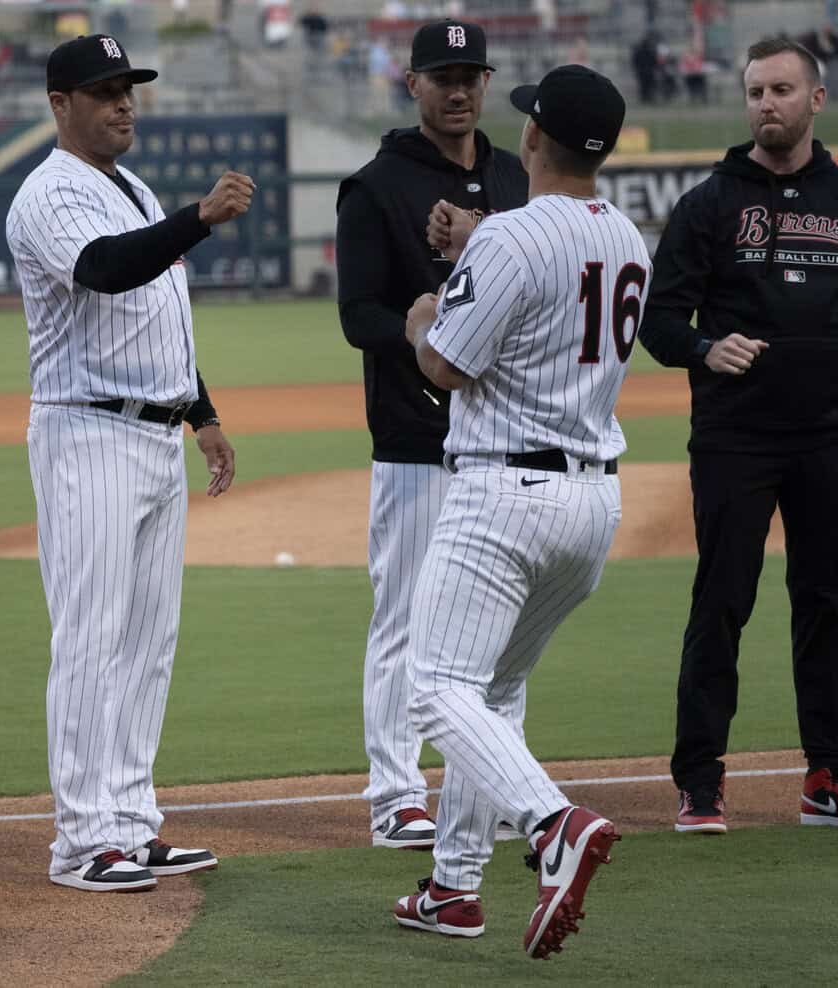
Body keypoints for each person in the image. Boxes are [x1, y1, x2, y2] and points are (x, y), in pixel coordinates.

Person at [397, 64, 650, 958]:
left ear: (535, 138)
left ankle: (554, 826)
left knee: (434, 688)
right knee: (493, 692)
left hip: (505, 492)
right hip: (592, 501)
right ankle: (452, 888)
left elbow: (448, 367)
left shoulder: (508, 235)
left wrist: (423, 319)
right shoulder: (629, 237)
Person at [638, 37, 838, 834]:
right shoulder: (709, 204)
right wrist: (701, 348)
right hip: (735, 439)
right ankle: (700, 784)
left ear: (815, 99)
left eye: (782, 89)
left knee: (824, 604)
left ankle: (832, 779)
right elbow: (656, 319)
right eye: (756, 90)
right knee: (721, 603)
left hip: (835, 436)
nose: (767, 104)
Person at [5, 34, 253, 892]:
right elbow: (106, 272)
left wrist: (203, 413)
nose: (123, 103)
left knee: (149, 641)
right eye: (104, 90)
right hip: (88, 434)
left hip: (153, 434)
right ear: (59, 102)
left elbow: (158, 318)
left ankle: (129, 822)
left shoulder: (130, 186)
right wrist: (197, 219)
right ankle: (80, 843)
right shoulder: (49, 194)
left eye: (129, 89)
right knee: (92, 636)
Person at [335, 19, 528, 853]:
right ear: (410, 84)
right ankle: (395, 792)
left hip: (507, 436)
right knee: (406, 620)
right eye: (442, 75)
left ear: (486, 83)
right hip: (417, 439)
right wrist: (423, 337)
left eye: (471, 74)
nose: (459, 89)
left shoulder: (519, 177)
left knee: (503, 634)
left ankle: (492, 787)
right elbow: (359, 315)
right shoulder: (376, 185)